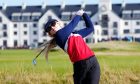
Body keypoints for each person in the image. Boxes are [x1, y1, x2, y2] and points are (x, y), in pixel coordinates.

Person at [44, 9, 100, 84]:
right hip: (80, 64)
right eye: (49, 29)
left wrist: (84, 14)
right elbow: (73, 24)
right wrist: (79, 14)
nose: (52, 28)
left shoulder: (76, 34)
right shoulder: (59, 37)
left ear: (58, 23)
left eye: (53, 24)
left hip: (93, 61)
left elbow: (90, 28)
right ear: (50, 33)